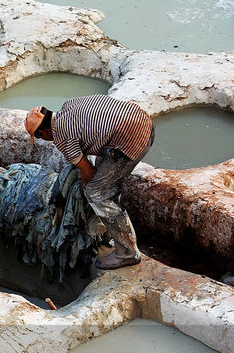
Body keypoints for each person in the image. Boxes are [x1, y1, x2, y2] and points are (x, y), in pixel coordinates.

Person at [24, 95, 155, 270]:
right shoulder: (69, 105)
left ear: (44, 132)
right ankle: (113, 232)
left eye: (39, 137)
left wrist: (85, 189)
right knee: (106, 182)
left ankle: (128, 253)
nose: (43, 140)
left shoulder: (61, 136)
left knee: (97, 194)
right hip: (143, 122)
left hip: (129, 139)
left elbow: (88, 171)